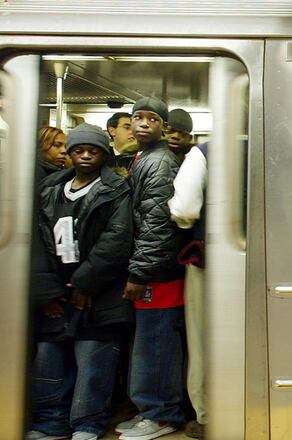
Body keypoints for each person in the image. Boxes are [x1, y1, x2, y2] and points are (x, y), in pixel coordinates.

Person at [27, 123, 134, 440]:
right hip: (56, 291)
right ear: (71, 154)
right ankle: (51, 423)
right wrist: (46, 291)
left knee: (94, 363)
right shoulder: (49, 189)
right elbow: (34, 240)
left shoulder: (116, 189)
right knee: (49, 362)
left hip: (101, 293)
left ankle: (88, 423)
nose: (85, 155)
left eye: (93, 151)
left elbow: (117, 239)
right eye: (78, 150)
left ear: (104, 154)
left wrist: (87, 282)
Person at [115, 96, 187, 440]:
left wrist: (140, 271)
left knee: (156, 343)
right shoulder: (143, 157)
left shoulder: (158, 162)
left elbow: (157, 223)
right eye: (138, 118)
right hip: (151, 266)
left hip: (158, 272)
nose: (144, 123)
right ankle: (150, 408)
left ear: (163, 126)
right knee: (147, 342)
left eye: (152, 119)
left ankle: (161, 414)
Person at [168, 142, 208, 439]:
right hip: (275, 259)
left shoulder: (204, 153)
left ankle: (208, 414)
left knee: (202, 339)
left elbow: (185, 209)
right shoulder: (283, 147)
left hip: (210, 261)